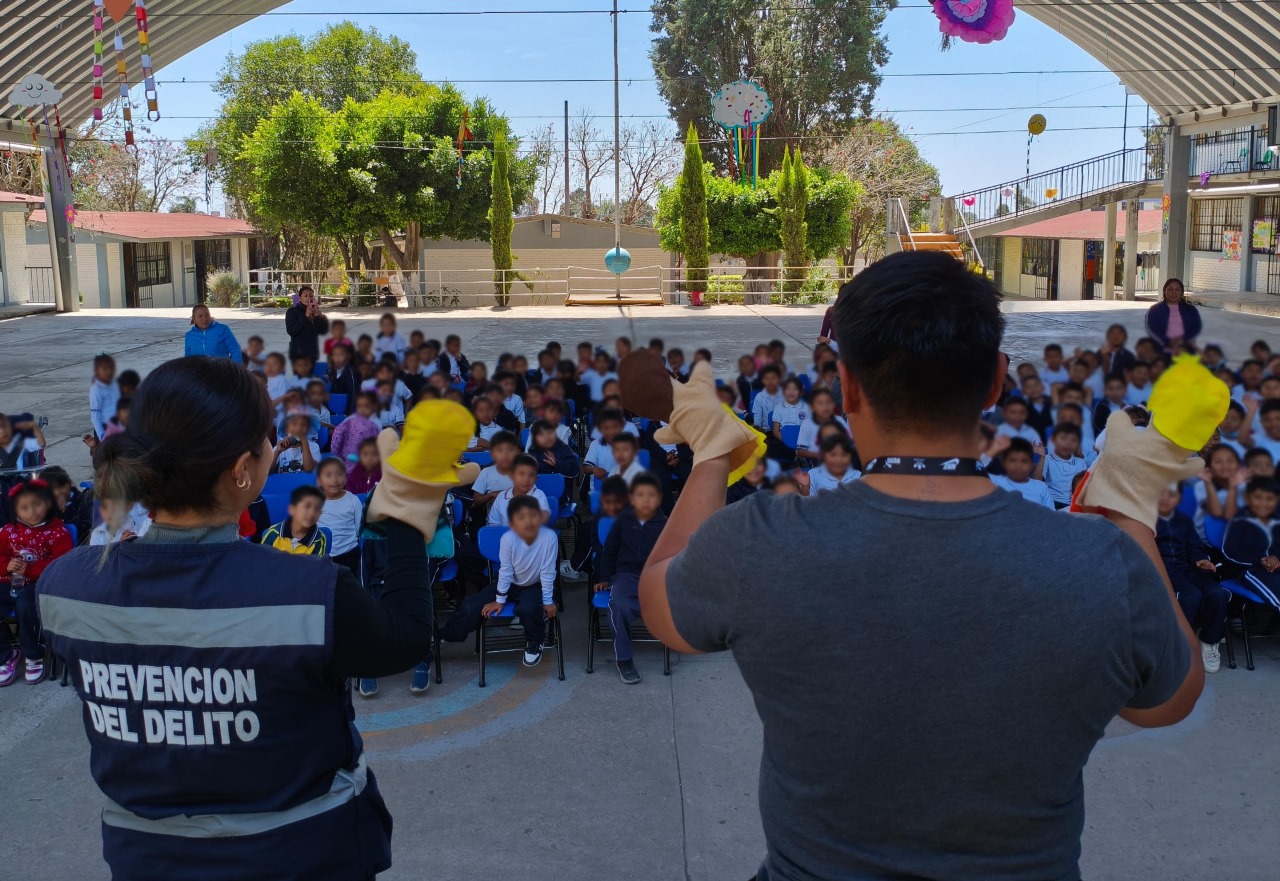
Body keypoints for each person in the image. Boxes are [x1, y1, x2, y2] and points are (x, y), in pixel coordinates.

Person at [636, 251, 1202, 881]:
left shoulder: (759, 543)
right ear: (994, 383)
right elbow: (1168, 701)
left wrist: (714, 453)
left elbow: (662, 608)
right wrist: (1126, 507)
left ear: (847, 388)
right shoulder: (1104, 565)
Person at [37, 356, 447, 881]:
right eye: (267, 440)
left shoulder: (66, 587)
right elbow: (406, 639)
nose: (273, 450)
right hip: (303, 857)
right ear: (241, 470)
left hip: (147, 861)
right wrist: (408, 519)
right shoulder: (309, 591)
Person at [439, 495, 557, 667]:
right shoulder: (508, 538)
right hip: (510, 583)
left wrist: (547, 600)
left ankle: (534, 643)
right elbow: (506, 571)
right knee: (471, 605)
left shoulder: (549, 537)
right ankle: (447, 635)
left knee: (527, 608)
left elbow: (547, 572)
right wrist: (500, 600)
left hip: (535, 585)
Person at [595, 472, 667, 684]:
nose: (646, 500)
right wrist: (604, 577)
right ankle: (624, 659)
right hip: (627, 576)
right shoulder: (623, 521)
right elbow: (609, 550)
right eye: (640, 495)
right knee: (618, 604)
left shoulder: (666, 524)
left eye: (651, 495)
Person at [0, 478, 73, 685]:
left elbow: (61, 565)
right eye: (24, 508)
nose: (31, 511)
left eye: (37, 504)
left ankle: (34, 653)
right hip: (9, 580)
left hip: (40, 583)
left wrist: (31, 569)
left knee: (26, 606)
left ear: (48, 504)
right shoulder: (8, 532)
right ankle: (6, 655)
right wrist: (6, 566)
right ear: (15, 510)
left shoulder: (58, 533)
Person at [1155, 485, 1228, 673]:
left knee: (1217, 594)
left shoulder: (1184, 521)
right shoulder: (1145, 521)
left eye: (1171, 494)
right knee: (1191, 595)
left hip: (1188, 568)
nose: (1165, 498)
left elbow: (1195, 546)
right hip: (1162, 569)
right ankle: (1179, 646)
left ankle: (1208, 640)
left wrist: (1201, 560)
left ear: (1178, 498)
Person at [1221, 476, 1280, 608]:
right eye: (1258, 497)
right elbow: (1229, 552)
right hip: (1251, 569)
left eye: (1269, 498)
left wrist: (1276, 558)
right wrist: (1259, 561)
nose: (1263, 503)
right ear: (1247, 497)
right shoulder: (1239, 521)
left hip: (1276, 567)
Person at [317, 457, 364, 572]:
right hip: (322, 554)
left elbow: (361, 530)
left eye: (339, 474)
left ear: (346, 478)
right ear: (319, 481)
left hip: (349, 553)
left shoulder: (353, 500)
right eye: (328, 475)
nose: (335, 479)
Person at [260, 485, 331, 556]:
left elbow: (316, 566)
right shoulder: (273, 532)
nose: (312, 513)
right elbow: (261, 560)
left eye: (317, 509)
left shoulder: (319, 539)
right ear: (292, 509)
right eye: (307, 506)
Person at [1036, 423, 1089, 509]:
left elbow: (1083, 487)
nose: (1068, 443)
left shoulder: (1081, 462)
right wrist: (1042, 458)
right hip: (1052, 504)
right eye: (1063, 438)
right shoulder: (1047, 459)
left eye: (1073, 440)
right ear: (1053, 440)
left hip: (1072, 505)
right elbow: (1036, 484)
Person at [487, 454, 550, 527]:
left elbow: (540, 522)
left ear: (536, 479)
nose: (526, 480)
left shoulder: (539, 496)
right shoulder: (501, 497)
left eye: (531, 475)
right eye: (521, 474)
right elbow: (493, 525)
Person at [1146, 277, 1204, 352]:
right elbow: (1152, 328)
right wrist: (1169, 342)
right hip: (1162, 348)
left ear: (1181, 292)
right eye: (1170, 289)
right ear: (1164, 291)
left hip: (1185, 348)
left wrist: (1183, 341)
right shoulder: (1155, 309)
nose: (1174, 292)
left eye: (1177, 289)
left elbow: (1196, 326)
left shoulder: (1191, 309)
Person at [796, 433, 860, 495]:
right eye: (833, 454)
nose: (838, 459)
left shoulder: (858, 475)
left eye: (843, 454)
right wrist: (805, 487)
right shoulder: (813, 474)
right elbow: (806, 502)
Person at [331, 392, 381, 470]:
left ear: (375, 406)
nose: (362, 409)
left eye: (366, 406)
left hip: (367, 462)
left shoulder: (376, 423)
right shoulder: (350, 420)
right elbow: (337, 435)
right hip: (349, 460)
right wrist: (339, 455)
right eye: (359, 406)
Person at [284, 285, 330, 362]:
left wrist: (319, 317)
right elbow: (291, 331)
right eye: (305, 296)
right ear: (300, 298)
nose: (308, 298)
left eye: (311, 296)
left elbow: (323, 331)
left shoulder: (315, 311)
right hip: (298, 351)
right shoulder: (292, 311)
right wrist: (306, 316)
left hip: (312, 351)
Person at [89, 354, 120, 440]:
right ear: (97, 370)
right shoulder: (96, 389)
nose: (109, 371)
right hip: (105, 429)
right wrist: (102, 436)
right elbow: (95, 416)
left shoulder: (115, 384)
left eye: (111, 368)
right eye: (105, 369)